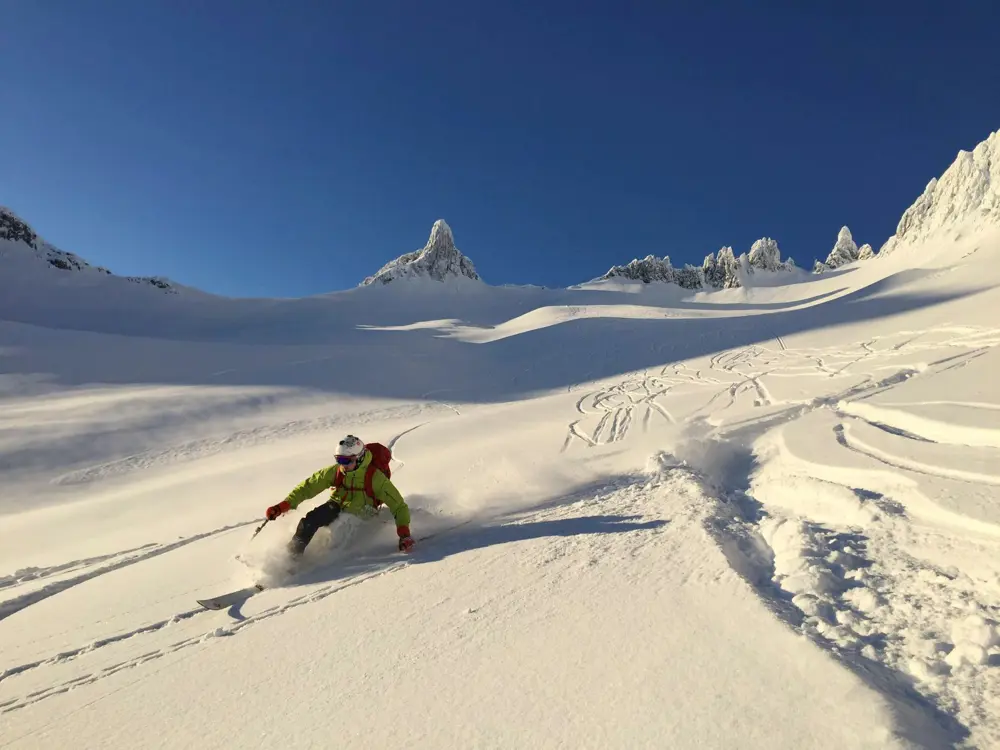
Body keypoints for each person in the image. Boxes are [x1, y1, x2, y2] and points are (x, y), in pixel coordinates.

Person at [265, 435, 414, 556]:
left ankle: (329, 561)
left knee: (338, 536)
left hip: (363, 514)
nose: (342, 464)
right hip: (337, 504)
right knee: (309, 521)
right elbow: (309, 486)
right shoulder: (337, 471)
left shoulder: (375, 478)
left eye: (345, 460)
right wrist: (284, 505)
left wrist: (404, 535)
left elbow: (399, 506)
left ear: (359, 457)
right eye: (338, 460)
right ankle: (291, 558)